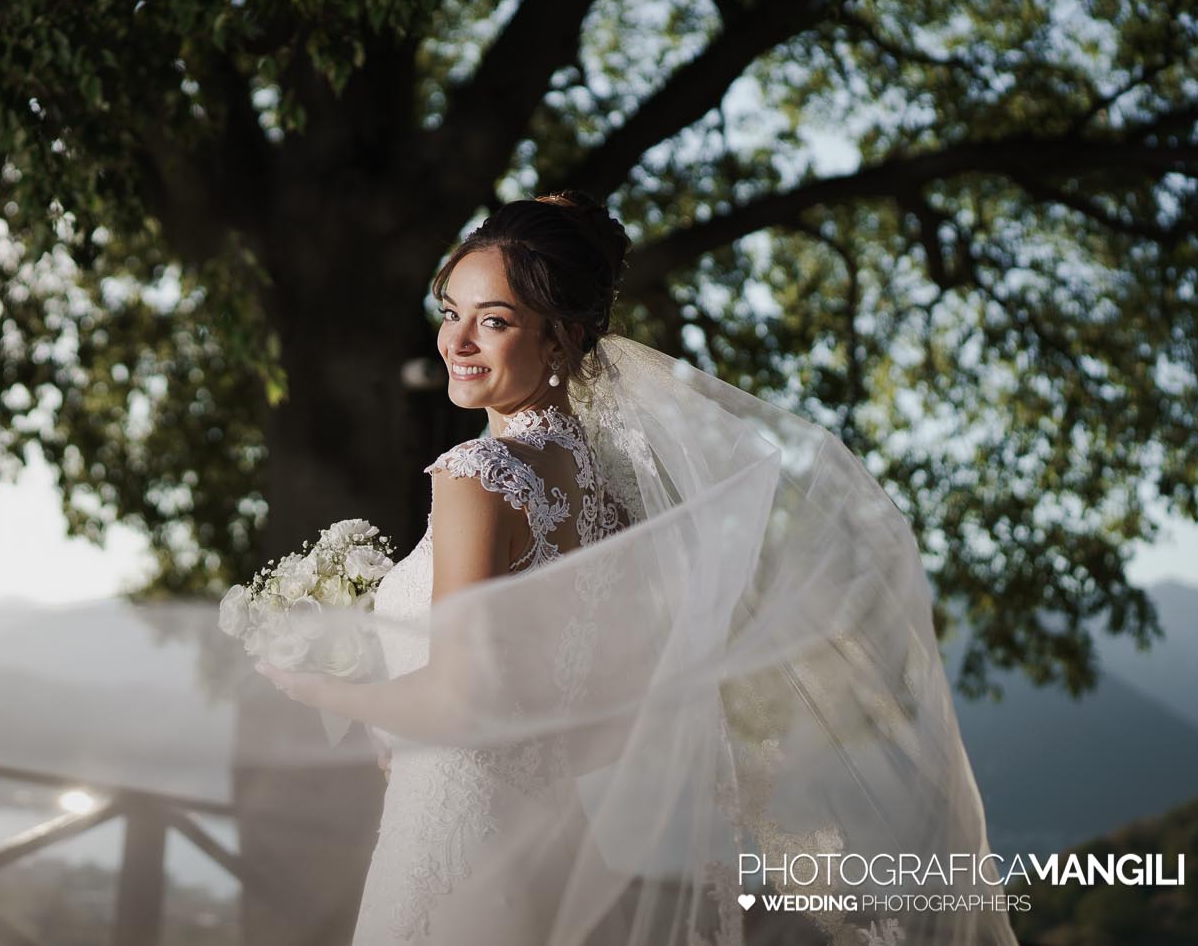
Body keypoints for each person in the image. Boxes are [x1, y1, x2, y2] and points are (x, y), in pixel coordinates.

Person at [257, 191, 1018, 946]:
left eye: (494, 321)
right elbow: (615, 720)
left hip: (454, 858)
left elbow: (458, 699)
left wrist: (329, 689)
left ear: (560, 341)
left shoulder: (477, 471)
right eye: (450, 311)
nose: (457, 341)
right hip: (557, 854)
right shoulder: (613, 500)